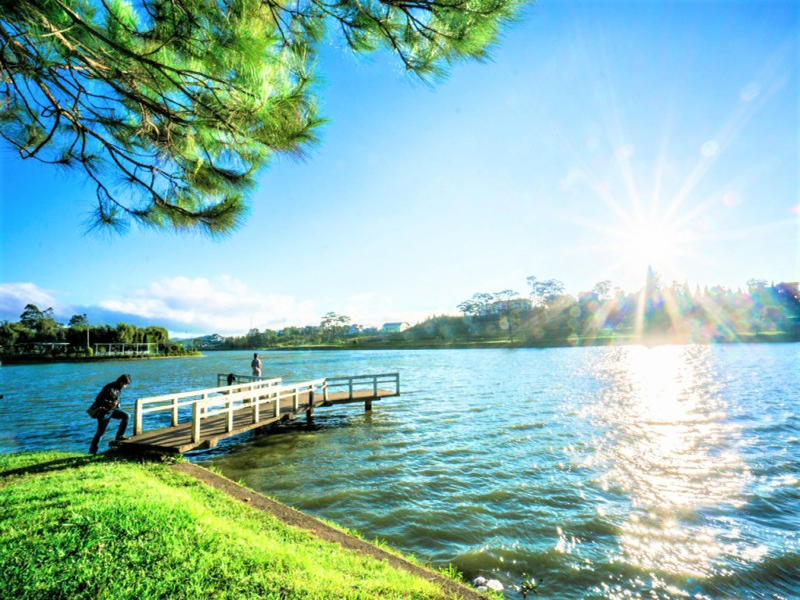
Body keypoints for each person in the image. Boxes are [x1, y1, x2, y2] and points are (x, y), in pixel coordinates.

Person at [88, 374, 131, 454]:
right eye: (125, 384)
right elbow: (98, 399)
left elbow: (115, 399)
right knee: (100, 433)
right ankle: (93, 451)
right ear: (121, 382)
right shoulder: (109, 387)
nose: (125, 386)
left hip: (112, 411)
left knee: (126, 416)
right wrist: (110, 402)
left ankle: (119, 436)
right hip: (103, 412)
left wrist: (117, 404)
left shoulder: (118, 388)